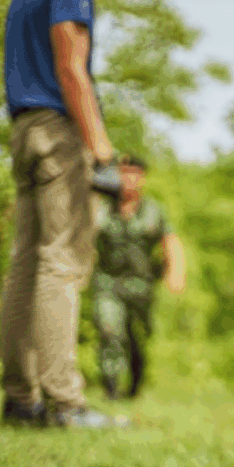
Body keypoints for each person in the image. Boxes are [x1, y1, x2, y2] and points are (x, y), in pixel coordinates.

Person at [0, 0, 127, 428]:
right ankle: (66, 404)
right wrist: (101, 150)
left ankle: (20, 400)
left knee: (26, 265)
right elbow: (71, 66)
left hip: (24, 129)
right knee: (63, 262)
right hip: (58, 132)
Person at [91, 155, 185, 399]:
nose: (128, 179)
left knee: (137, 336)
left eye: (134, 173)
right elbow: (86, 238)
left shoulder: (153, 210)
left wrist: (176, 272)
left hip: (142, 285)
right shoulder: (102, 207)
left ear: (142, 178)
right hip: (108, 282)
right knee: (109, 329)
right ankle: (111, 389)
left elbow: (170, 241)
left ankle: (134, 387)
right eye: (123, 172)